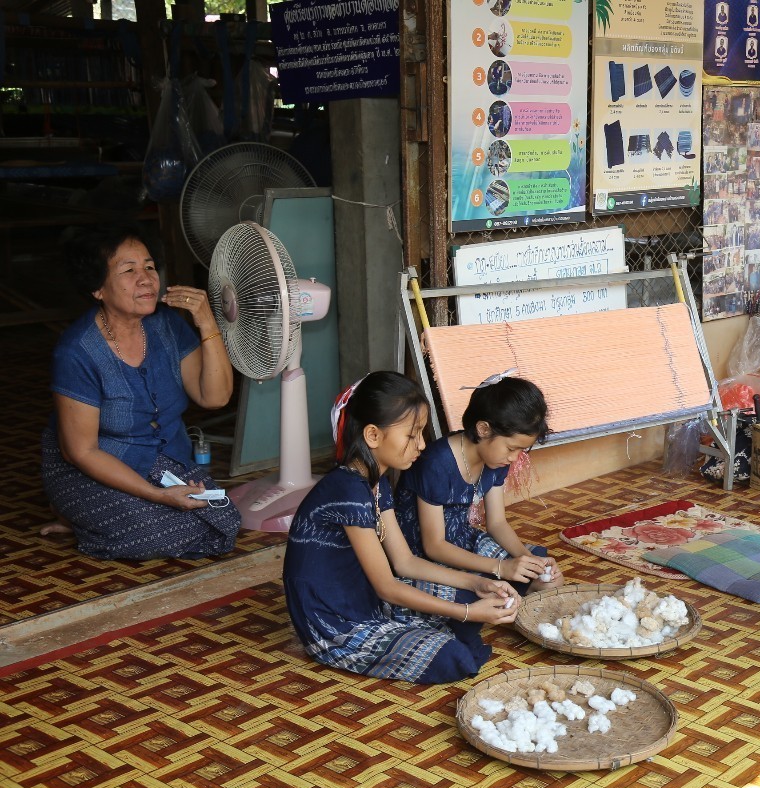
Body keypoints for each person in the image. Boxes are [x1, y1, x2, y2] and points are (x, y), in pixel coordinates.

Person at [283, 372, 520, 685]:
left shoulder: (376, 481)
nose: (421, 444)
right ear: (373, 436)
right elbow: (387, 587)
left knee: (465, 600)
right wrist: (466, 613)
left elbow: (404, 562)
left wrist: (477, 584)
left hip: (364, 600)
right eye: (411, 435)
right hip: (332, 622)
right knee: (453, 655)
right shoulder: (347, 490)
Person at [41, 225, 240, 559]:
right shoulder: (77, 352)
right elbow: (82, 451)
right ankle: (77, 514)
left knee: (225, 516)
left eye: (149, 267)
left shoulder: (168, 326)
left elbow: (214, 397)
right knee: (157, 532)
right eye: (128, 270)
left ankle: (100, 518)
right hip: (93, 464)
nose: (146, 279)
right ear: (97, 289)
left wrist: (207, 321)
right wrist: (159, 496)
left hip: (161, 460)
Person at [395, 373, 564, 596]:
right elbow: (434, 546)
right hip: (422, 554)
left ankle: (520, 593)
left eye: (522, 450)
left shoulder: (497, 460)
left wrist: (529, 560)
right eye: (512, 448)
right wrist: (501, 568)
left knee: (548, 581)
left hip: (462, 541)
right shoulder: (436, 465)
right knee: (482, 597)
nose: (515, 458)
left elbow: (497, 523)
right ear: (484, 429)